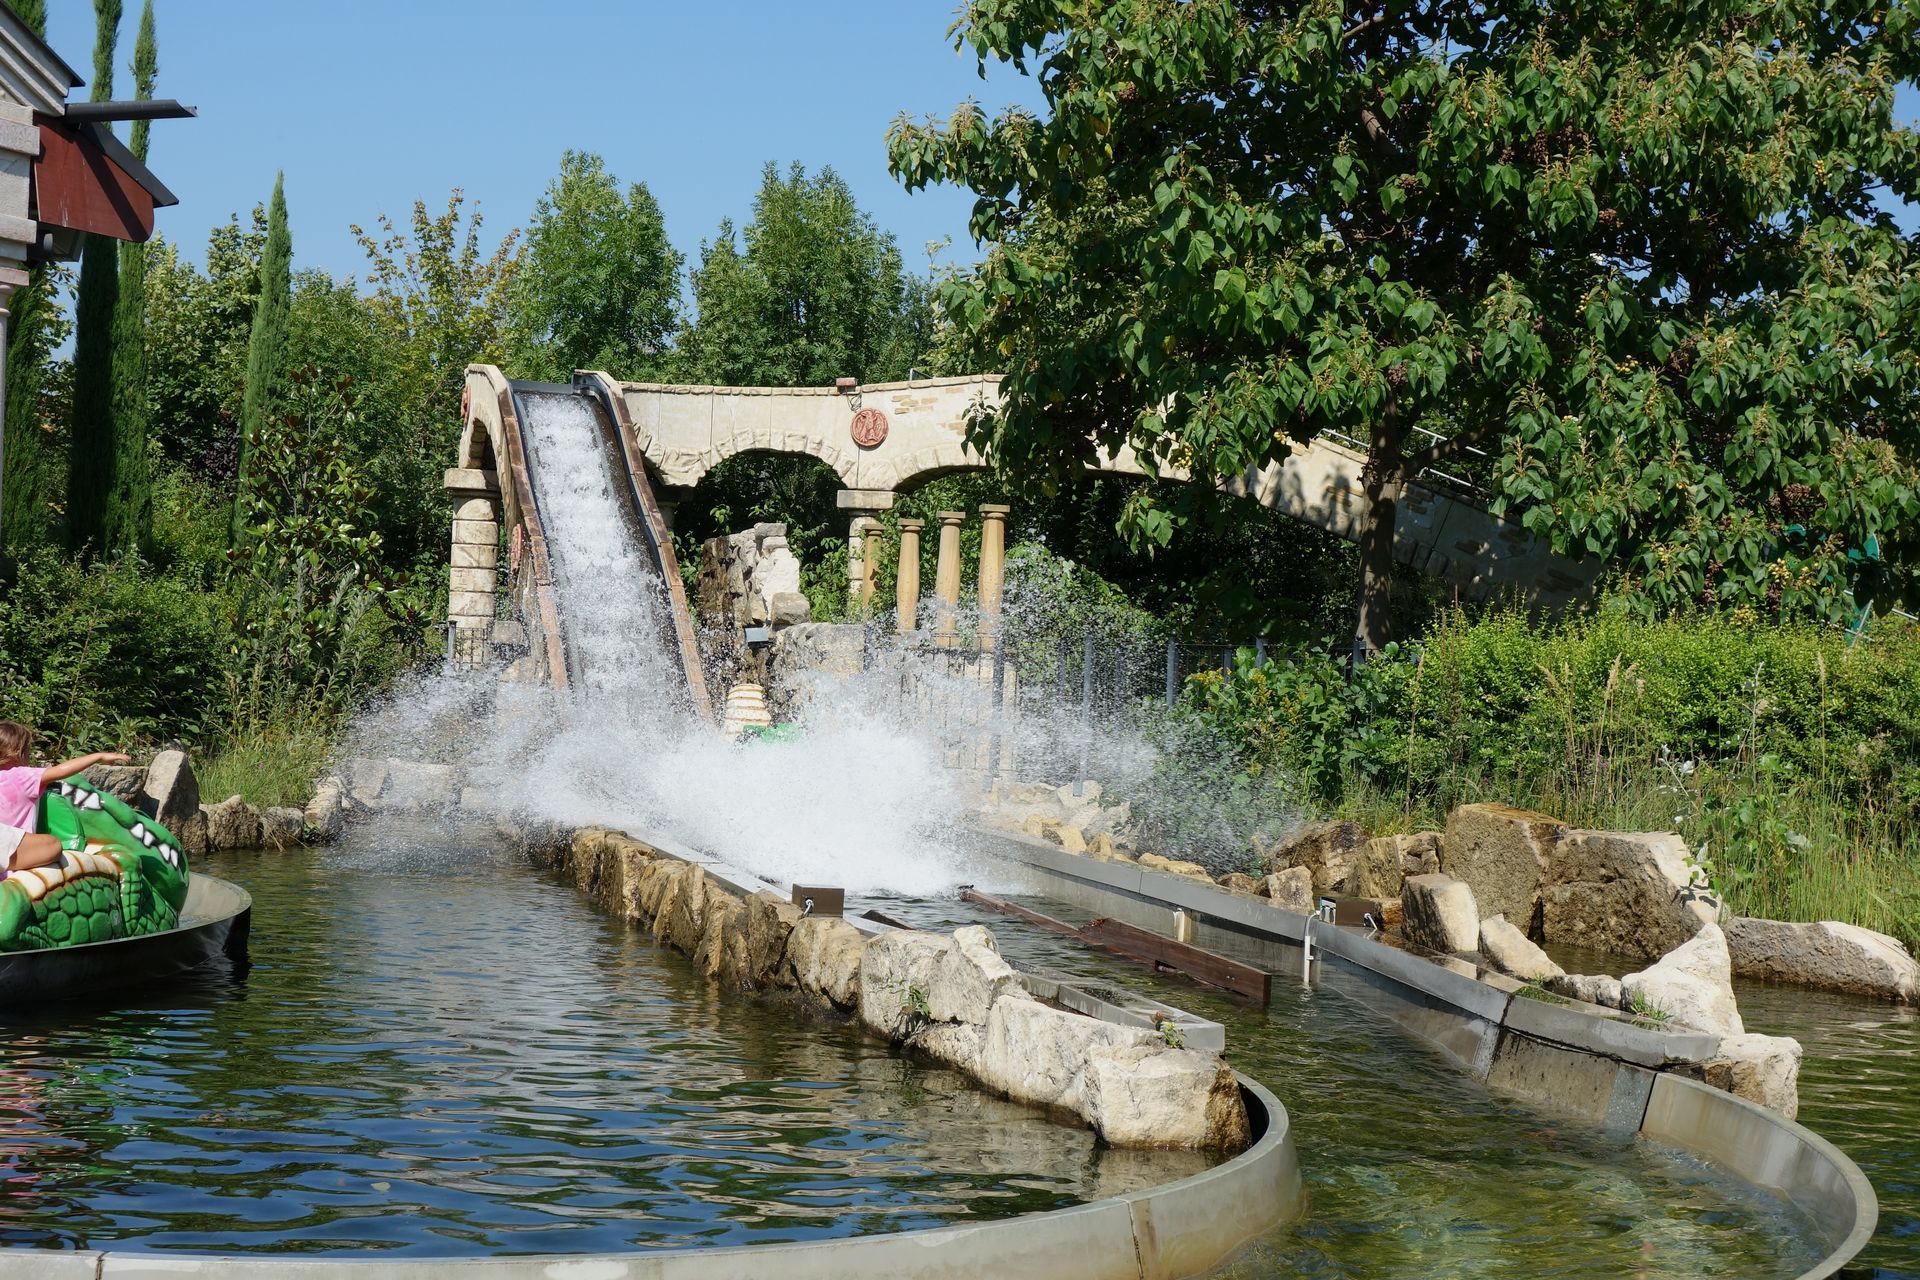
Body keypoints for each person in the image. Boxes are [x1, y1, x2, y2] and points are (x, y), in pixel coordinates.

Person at [0, 722, 130, 877]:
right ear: (18, 753)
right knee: (53, 845)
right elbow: (61, 770)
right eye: (28, 750)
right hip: (16, 863)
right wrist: (98, 756)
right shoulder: (21, 776)